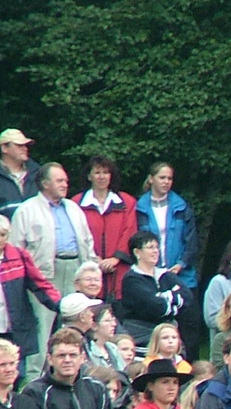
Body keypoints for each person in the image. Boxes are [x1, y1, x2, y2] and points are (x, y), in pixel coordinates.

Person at [10, 161, 94, 359]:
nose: (65, 184)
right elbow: (15, 249)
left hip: (75, 271)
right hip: (43, 276)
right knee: (43, 328)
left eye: (65, 180)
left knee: (77, 323)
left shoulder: (74, 208)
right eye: (59, 180)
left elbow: (88, 242)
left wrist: (90, 270)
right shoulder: (26, 210)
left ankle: (78, 368)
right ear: (45, 183)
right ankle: (35, 378)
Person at [0, 213, 63, 376]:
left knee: (17, 374)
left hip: (16, 327)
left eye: (3, 235)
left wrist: (60, 305)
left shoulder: (19, 256)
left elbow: (39, 284)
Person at [73, 157, 138, 298]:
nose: (101, 177)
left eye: (106, 172)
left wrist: (116, 258)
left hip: (119, 269)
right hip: (89, 268)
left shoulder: (126, 202)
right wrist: (94, 258)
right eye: (97, 172)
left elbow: (130, 231)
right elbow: (77, 233)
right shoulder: (76, 202)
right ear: (89, 176)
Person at [119, 230, 191, 350]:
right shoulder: (131, 279)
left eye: (157, 247)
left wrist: (163, 297)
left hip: (169, 333)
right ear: (137, 252)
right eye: (150, 247)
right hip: (142, 336)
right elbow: (156, 307)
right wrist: (173, 299)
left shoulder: (165, 274)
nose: (156, 251)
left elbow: (187, 297)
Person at [134, 162, 199, 290]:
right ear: (151, 179)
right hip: (150, 275)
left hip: (181, 275)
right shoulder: (139, 208)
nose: (166, 182)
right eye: (162, 178)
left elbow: (191, 241)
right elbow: (135, 243)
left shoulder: (181, 207)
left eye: (169, 178)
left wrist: (181, 264)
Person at [0, 128, 40, 209]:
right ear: (4, 148)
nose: (25, 148)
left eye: (26, 145)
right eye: (19, 145)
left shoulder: (38, 174)